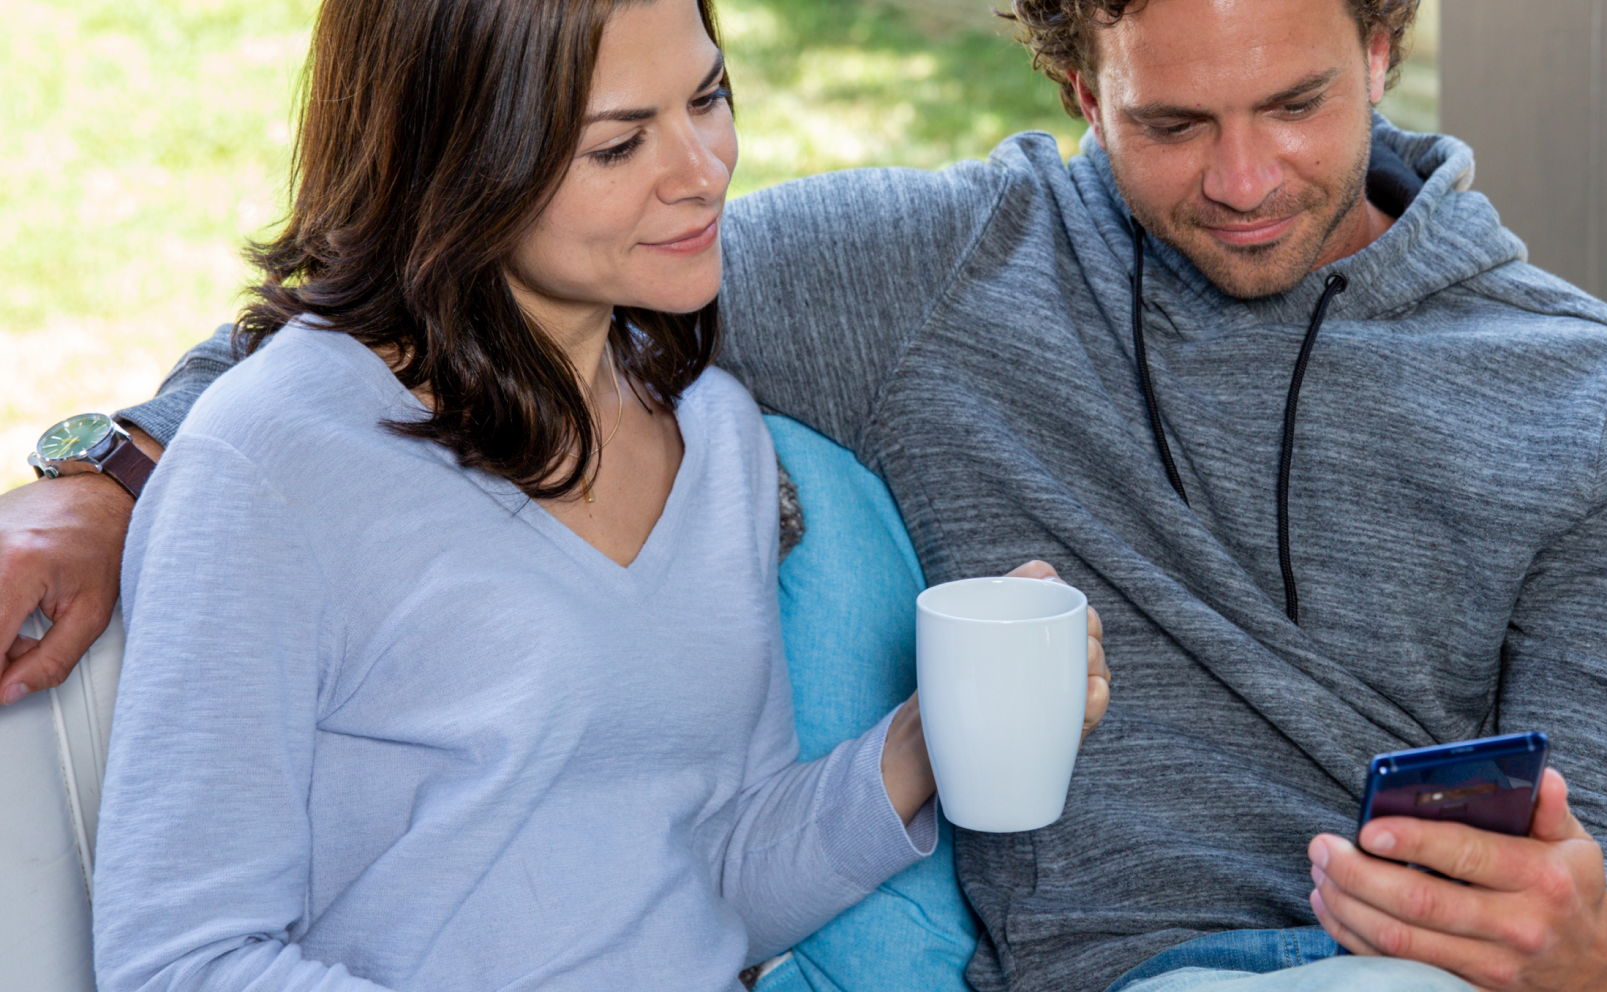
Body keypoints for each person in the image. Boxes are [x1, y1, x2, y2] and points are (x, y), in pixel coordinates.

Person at [1, 0, 1607, 989]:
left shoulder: (1606, 410)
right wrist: (117, 469)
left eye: (1300, 101)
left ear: (1387, 38)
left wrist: (1600, 949)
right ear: (1076, 81)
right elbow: (434, 285)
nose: (1246, 180)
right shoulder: (937, 273)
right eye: (1170, 123)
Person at [68, 0, 1107, 989]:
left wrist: (929, 738)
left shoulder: (712, 432)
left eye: (707, 99)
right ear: (461, 160)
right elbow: (183, 957)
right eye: (619, 146)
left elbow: (706, 880)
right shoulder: (272, 467)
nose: (704, 173)